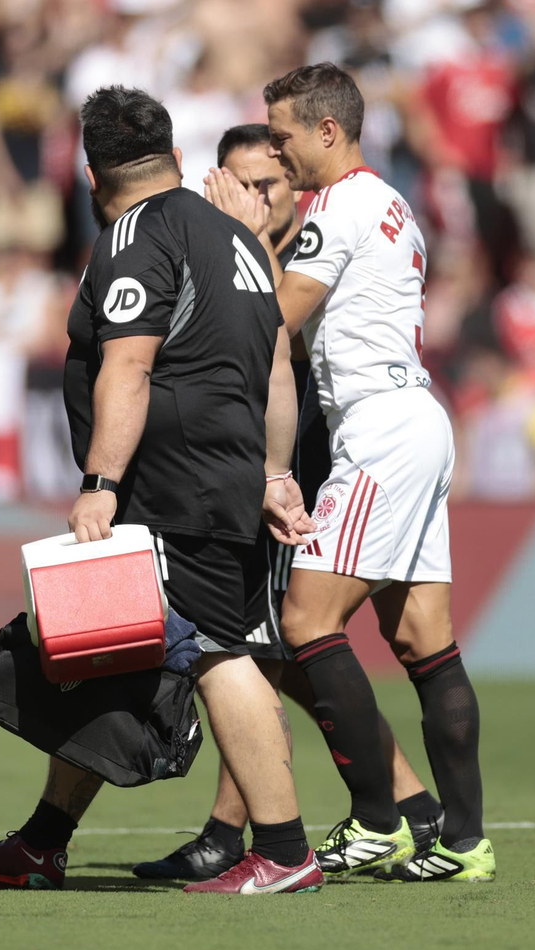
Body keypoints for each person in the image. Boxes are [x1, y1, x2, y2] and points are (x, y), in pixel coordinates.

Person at [0, 87, 323, 896]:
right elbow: (272, 367)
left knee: (218, 652)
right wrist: (270, 471)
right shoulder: (234, 236)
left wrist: (100, 482)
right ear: (179, 158)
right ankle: (44, 841)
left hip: (170, 480)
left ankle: (286, 851)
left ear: (90, 175)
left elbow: (129, 364)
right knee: (106, 651)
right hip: (222, 473)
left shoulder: (134, 235)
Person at [132, 123, 445, 881]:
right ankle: (409, 804)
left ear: (293, 185)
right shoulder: (225, 245)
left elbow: (276, 332)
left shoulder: (309, 242)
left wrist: (246, 241)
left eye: (266, 184)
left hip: (310, 456)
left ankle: (240, 831)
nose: (254, 199)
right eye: (237, 185)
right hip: (261, 459)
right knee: (279, 648)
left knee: (269, 643)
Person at [208, 62, 492, 883]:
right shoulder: (392, 203)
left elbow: (273, 319)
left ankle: (378, 820)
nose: (277, 151)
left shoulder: (338, 205)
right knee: (421, 638)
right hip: (415, 415)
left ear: (327, 131)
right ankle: (464, 841)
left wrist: (240, 235)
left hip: (378, 430)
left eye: (284, 136)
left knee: (303, 622)